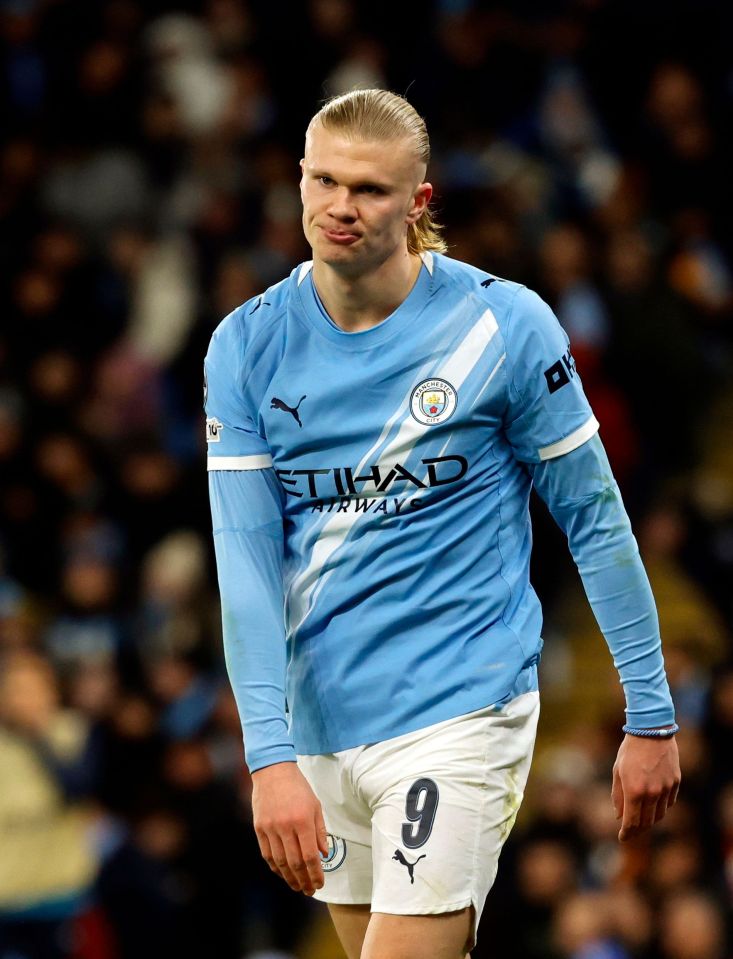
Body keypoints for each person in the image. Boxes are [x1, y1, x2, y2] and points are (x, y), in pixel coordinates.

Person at [204, 89, 681, 959]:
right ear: (297, 180)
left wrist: (650, 713)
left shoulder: (501, 326)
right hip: (320, 724)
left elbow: (596, 521)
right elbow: (243, 559)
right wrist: (268, 755)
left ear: (418, 202)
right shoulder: (245, 344)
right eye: (323, 181)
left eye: (369, 190)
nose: (339, 206)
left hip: (458, 707)